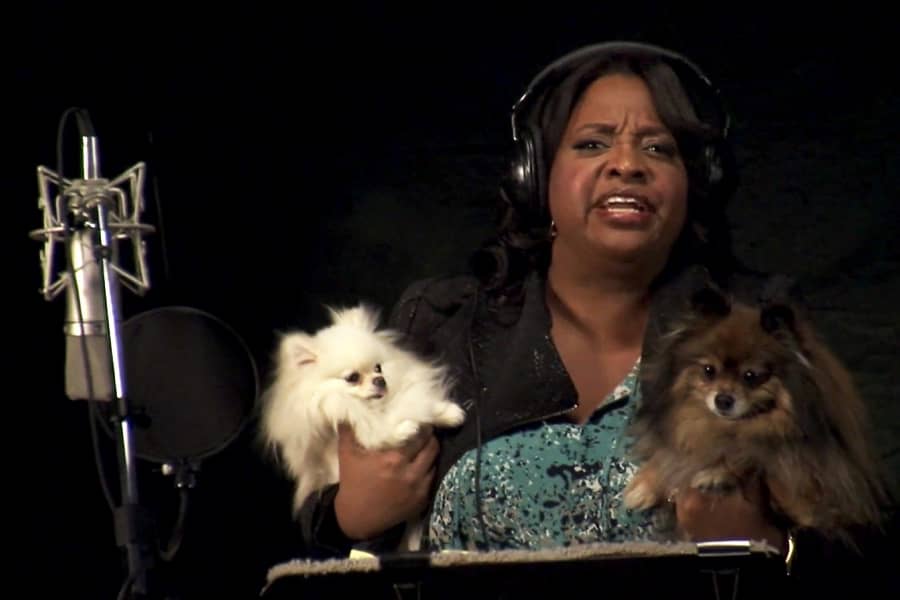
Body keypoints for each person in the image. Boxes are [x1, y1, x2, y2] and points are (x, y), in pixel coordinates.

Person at [293, 41, 889, 576]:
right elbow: (323, 525)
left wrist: (764, 547)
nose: (627, 163)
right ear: (536, 178)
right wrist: (349, 515)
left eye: (658, 147)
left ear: (694, 186)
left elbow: (853, 536)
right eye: (593, 143)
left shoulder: (760, 322)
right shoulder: (442, 320)